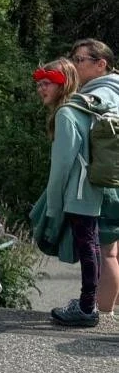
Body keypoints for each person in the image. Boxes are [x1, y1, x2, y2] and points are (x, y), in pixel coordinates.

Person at [28, 58, 111, 326]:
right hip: (92, 188)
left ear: (61, 84)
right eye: (39, 84)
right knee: (92, 246)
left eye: (47, 84)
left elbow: (61, 167)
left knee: (88, 248)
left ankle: (87, 308)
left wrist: (53, 206)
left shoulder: (66, 113)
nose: (41, 89)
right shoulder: (84, 107)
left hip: (78, 192)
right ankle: (89, 303)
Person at [70, 39, 119, 317]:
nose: (74, 64)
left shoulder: (103, 92)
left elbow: (97, 111)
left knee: (107, 251)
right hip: (114, 179)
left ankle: (102, 313)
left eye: (80, 60)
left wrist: (70, 100)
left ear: (101, 64)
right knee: (114, 250)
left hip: (107, 182)